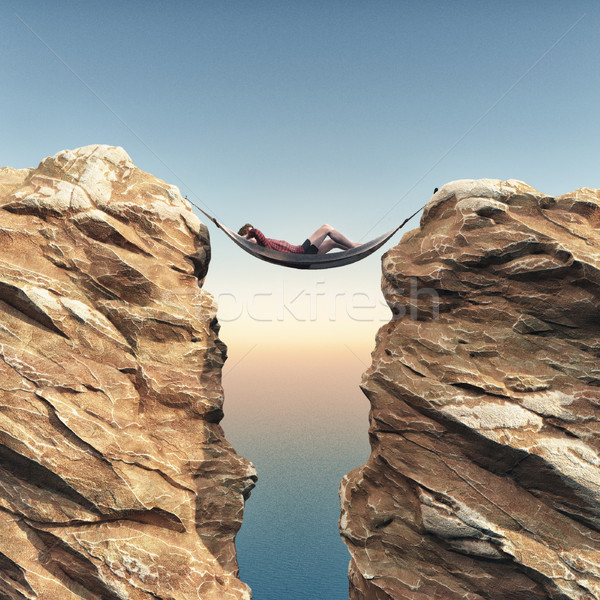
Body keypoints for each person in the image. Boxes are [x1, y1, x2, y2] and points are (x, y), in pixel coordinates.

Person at [238, 223, 361, 254]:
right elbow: (256, 232)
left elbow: (255, 232)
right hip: (301, 252)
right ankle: (354, 247)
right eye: (249, 234)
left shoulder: (261, 244)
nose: (251, 234)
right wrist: (247, 235)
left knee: (333, 242)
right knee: (326, 228)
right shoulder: (261, 244)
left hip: (303, 252)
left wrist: (248, 235)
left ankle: (361, 246)